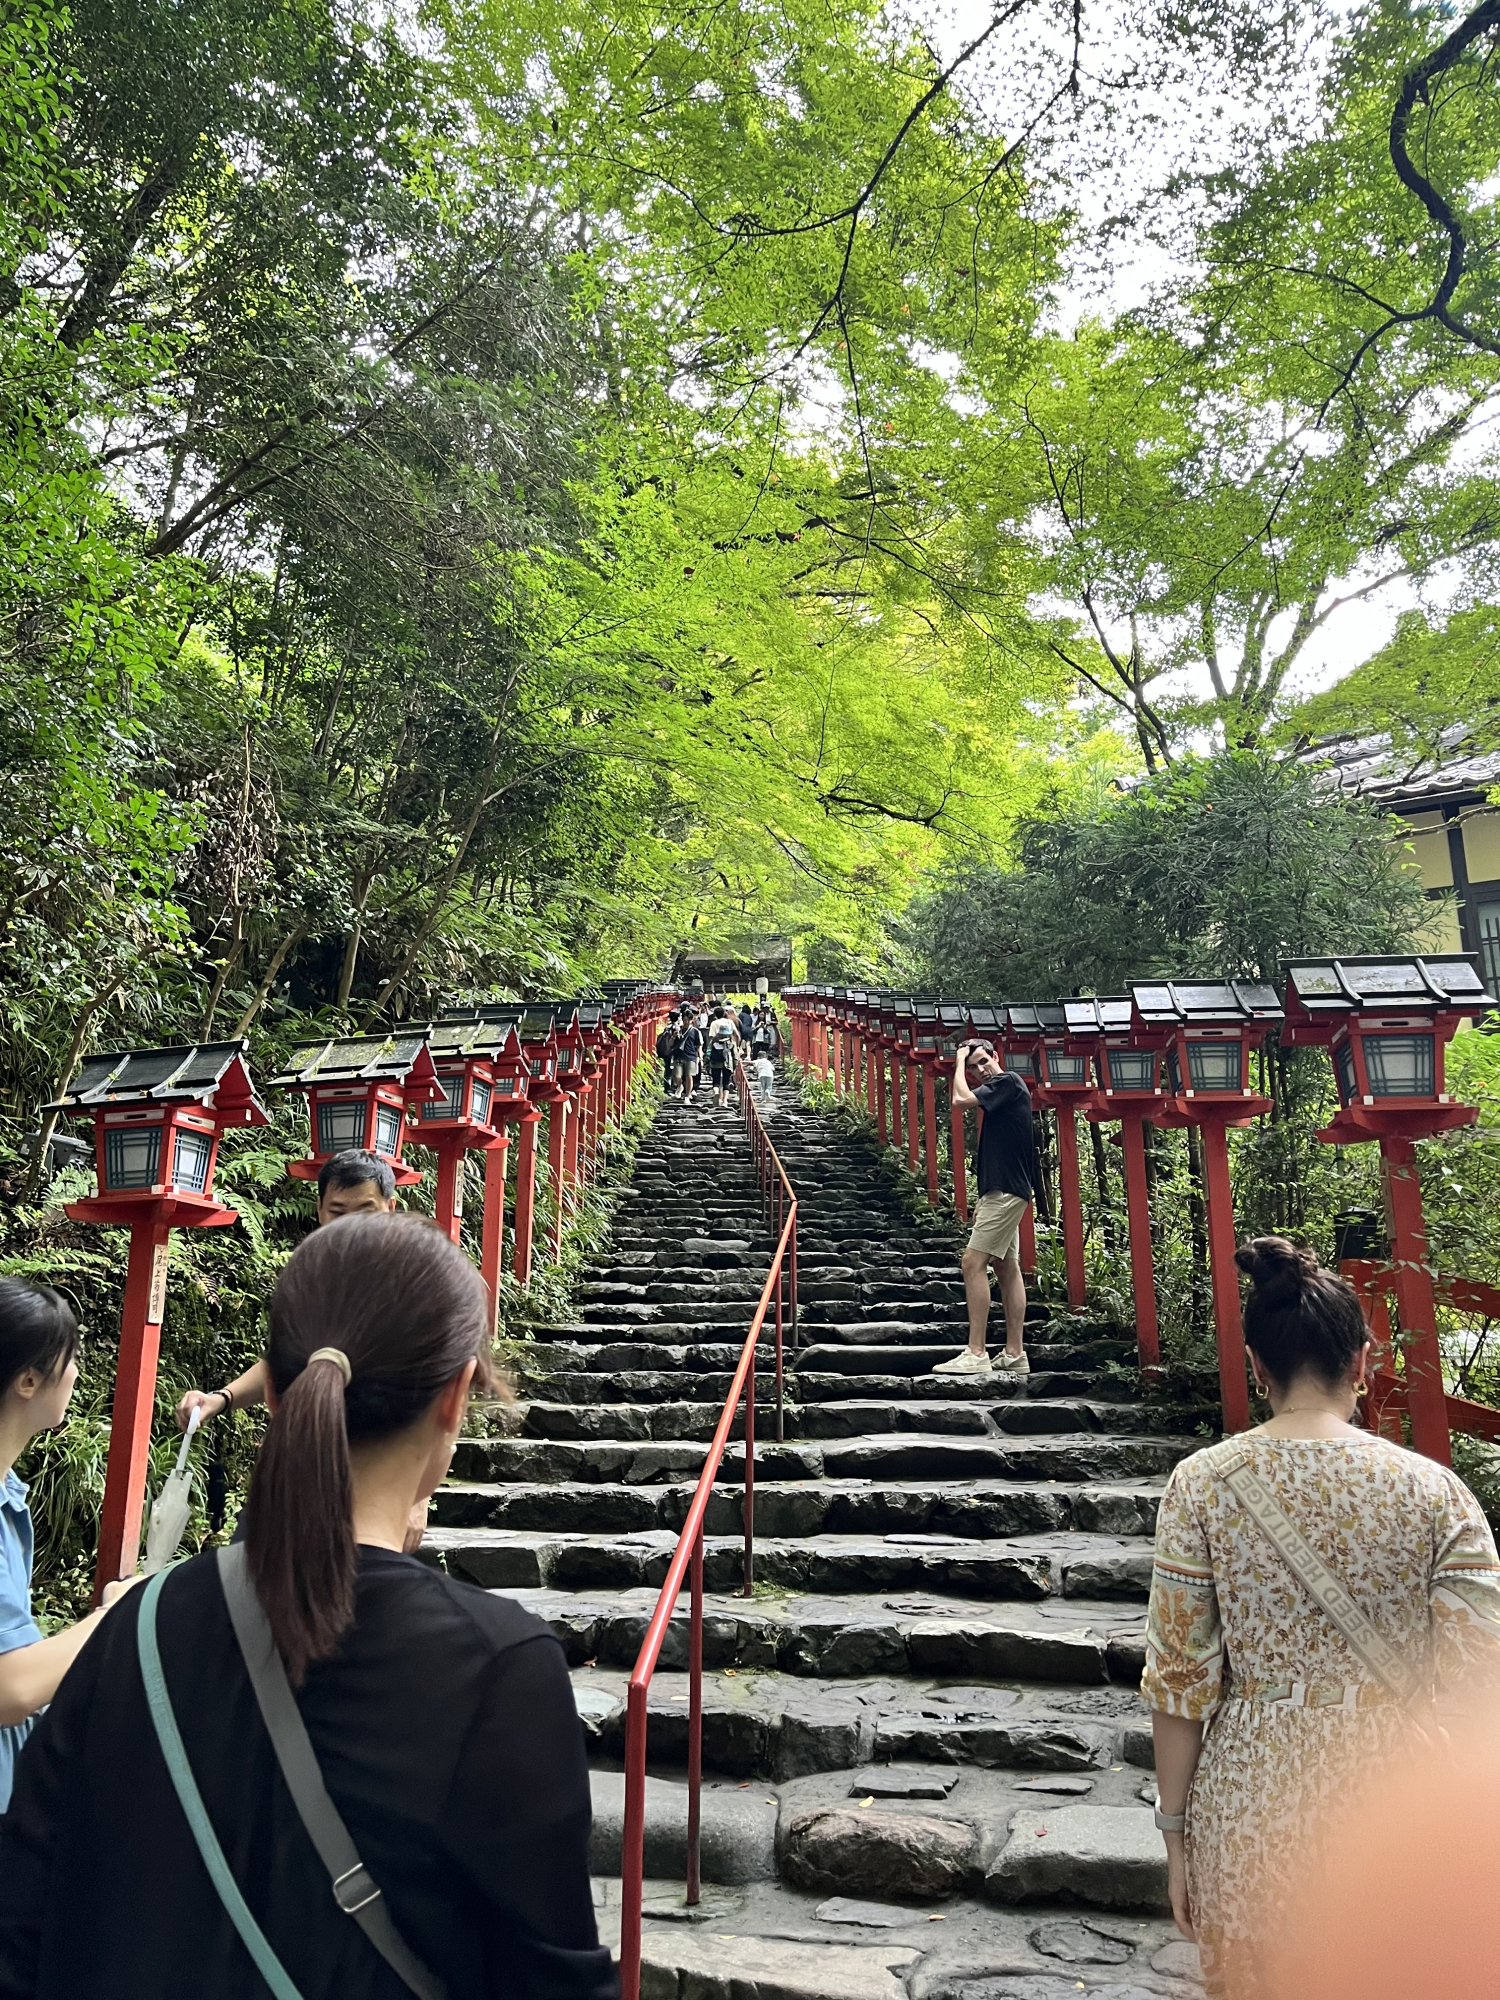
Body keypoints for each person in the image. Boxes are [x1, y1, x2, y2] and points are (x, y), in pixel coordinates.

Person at [0, 1214, 616, 2000]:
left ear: (276, 1392)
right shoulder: (500, 1667)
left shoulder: (140, 1626)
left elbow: (24, 1922)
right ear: (456, 1395)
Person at [1142, 1236, 1500, 2000]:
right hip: (1396, 1804)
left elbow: (1179, 1681)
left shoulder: (1201, 1484)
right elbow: (1483, 1682)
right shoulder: (1437, 1493)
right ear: (1363, 1362)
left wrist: (1176, 1838)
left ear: (1257, 1366)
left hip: (1249, 1801)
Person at [0, 1281, 137, 1812]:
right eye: (71, 1357)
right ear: (28, 1380)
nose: (77, 1372)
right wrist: (114, 1616)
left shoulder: (10, 1492)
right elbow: (11, 1688)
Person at [174, 1148, 398, 1432]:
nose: (352, 1226)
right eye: (338, 1212)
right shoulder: (314, 1280)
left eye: (366, 1212)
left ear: (390, 1209)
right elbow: (287, 1361)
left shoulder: (415, 1279)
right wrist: (220, 1399)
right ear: (320, 1209)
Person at [934, 1039, 1035, 1377]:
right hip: (1003, 1190)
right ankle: (1014, 1353)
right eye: (973, 1067)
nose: (980, 1070)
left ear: (996, 1056)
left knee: (972, 1263)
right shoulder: (1002, 1093)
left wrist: (958, 1060)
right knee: (1006, 1267)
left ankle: (976, 1352)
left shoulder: (1008, 1081)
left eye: (982, 1062)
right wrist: (984, 1197)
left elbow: (960, 1100)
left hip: (1006, 1192)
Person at [705, 1006, 739, 1108]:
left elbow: (708, 1052)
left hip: (715, 1062)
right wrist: (735, 1066)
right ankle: (724, 1101)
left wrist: (707, 1063)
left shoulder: (713, 1039)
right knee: (726, 1082)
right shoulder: (731, 1042)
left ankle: (716, 1093)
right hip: (727, 1063)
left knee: (716, 1081)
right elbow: (735, 1055)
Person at [672, 1007, 703, 1102]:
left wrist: (700, 1058)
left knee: (689, 1076)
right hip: (679, 1056)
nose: (686, 1022)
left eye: (688, 1020)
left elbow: (699, 1045)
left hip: (691, 1056)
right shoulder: (678, 1030)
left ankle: (687, 1096)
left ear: (691, 1020)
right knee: (677, 1076)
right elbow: (670, 1044)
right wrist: (673, 1037)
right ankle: (680, 1086)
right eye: (684, 1020)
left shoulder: (695, 1031)